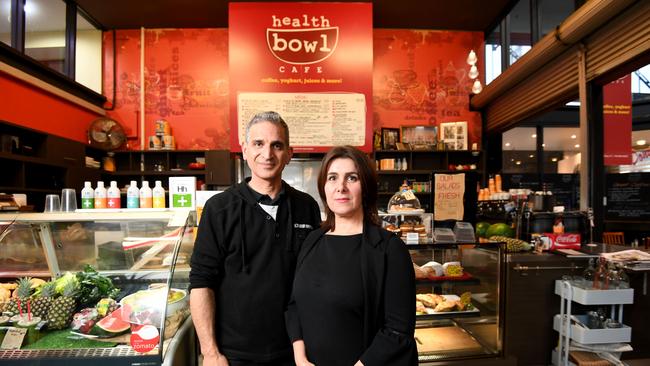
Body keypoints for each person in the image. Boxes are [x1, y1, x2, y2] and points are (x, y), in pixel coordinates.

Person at [190, 111, 321, 366]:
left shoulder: (307, 207)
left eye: (277, 145)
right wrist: (211, 353)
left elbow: (316, 278)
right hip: (234, 355)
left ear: (289, 154)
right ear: (245, 150)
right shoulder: (219, 209)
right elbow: (201, 283)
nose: (268, 154)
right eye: (258, 144)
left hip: (295, 351)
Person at [286, 145, 417, 366]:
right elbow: (293, 305)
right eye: (333, 178)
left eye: (352, 178)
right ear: (324, 187)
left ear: (365, 187)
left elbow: (398, 331)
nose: (341, 187)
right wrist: (300, 359)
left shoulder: (389, 249)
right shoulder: (312, 240)